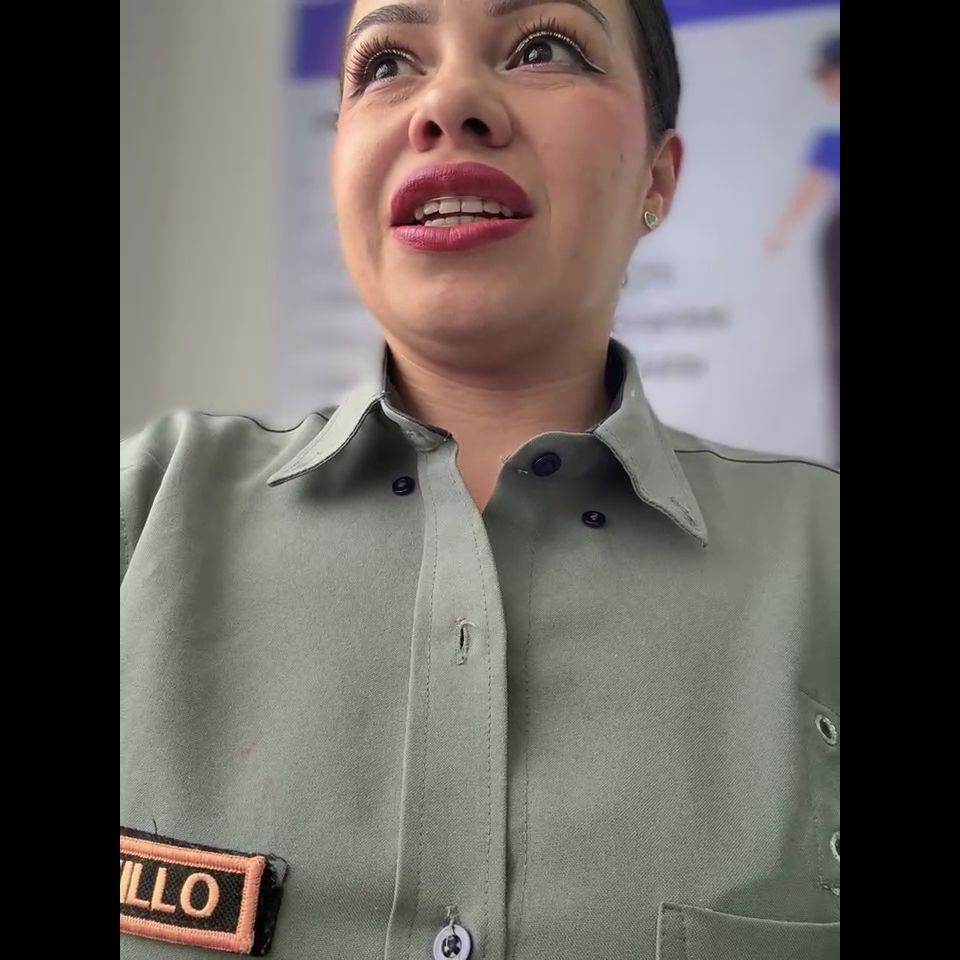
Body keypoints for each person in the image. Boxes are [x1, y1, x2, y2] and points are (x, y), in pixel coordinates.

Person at [120, 2, 840, 958]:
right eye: (385, 65)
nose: (448, 101)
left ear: (657, 178)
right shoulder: (149, 508)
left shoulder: (824, 556)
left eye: (545, 47)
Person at [766, 34, 840, 464]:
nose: (826, 85)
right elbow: (811, 187)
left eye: (830, 76)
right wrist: (781, 231)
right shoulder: (830, 139)